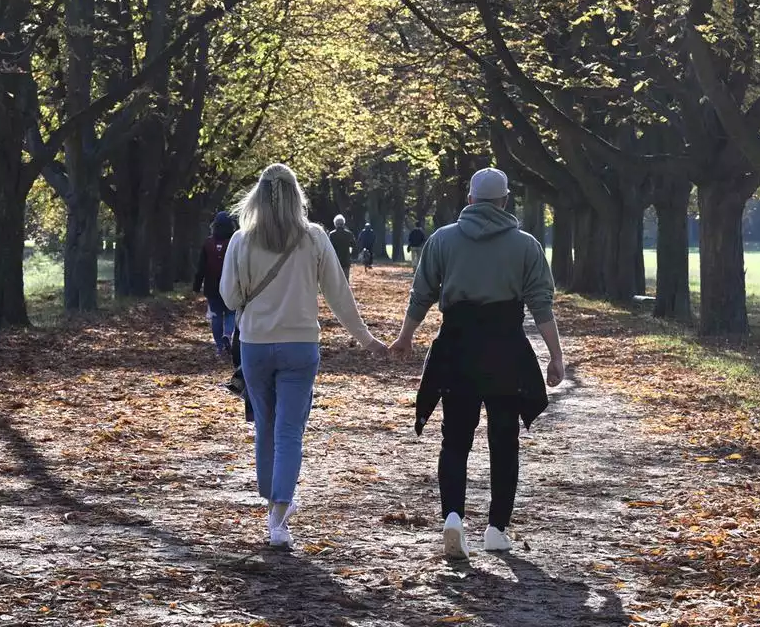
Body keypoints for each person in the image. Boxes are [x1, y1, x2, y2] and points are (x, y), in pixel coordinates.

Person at [389, 167, 564, 559]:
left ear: (469, 200)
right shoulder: (526, 246)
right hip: (505, 351)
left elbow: (421, 295)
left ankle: (452, 517)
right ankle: (496, 529)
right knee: (504, 442)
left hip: (458, 349)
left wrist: (405, 337)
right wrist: (556, 356)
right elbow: (541, 304)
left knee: (455, 439)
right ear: (504, 202)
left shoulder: (442, 241)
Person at [221, 164, 388, 550]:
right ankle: (278, 514)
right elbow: (338, 294)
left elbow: (229, 298)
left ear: (258, 196)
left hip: (256, 345)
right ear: (297, 196)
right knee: (289, 431)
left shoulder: (241, 241)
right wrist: (366, 340)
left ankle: (272, 502)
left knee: (264, 424)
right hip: (300, 346)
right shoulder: (313, 238)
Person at [193, 211, 237, 357]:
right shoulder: (234, 242)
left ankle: (219, 346)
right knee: (231, 312)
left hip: (212, 286)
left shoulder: (208, 243)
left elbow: (201, 267)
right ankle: (228, 335)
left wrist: (197, 286)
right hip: (231, 284)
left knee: (216, 316)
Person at [328, 214, 357, 280]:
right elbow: (354, 246)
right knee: (346, 279)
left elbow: (329, 248)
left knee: (336, 279)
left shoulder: (332, 234)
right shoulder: (349, 234)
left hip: (335, 260)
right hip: (346, 260)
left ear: (335, 224)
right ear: (343, 223)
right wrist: (352, 255)